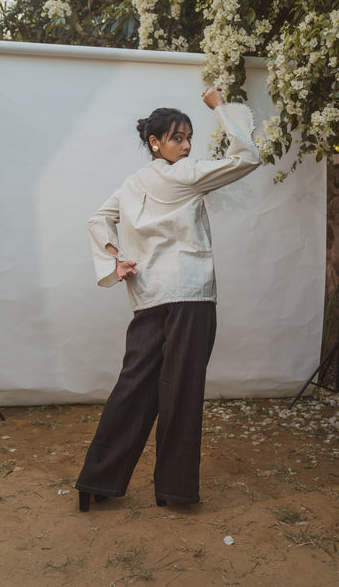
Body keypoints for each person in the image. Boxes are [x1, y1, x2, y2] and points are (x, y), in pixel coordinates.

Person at [75, 87, 260, 511]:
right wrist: (221, 108)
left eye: (189, 137)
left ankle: (97, 481)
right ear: (155, 142)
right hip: (191, 296)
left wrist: (116, 257)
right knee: (181, 390)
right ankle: (174, 491)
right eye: (178, 138)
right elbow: (247, 157)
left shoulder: (131, 184)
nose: (187, 146)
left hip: (148, 296)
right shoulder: (186, 175)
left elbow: (98, 219)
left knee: (134, 386)